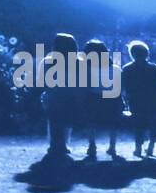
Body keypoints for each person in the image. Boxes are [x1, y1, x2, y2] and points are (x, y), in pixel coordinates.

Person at [121, 40, 156, 157]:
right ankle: (151, 146)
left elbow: (124, 87)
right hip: (154, 102)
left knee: (138, 124)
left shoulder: (127, 68)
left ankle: (138, 148)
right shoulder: (155, 68)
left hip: (136, 101)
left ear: (132, 54)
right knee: (153, 123)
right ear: (147, 53)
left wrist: (126, 99)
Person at [41, 32, 80, 160]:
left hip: (54, 95)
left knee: (54, 121)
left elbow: (43, 80)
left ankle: (54, 144)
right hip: (72, 95)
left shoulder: (48, 61)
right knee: (67, 121)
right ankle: (63, 144)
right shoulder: (78, 61)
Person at [82, 38, 122, 159]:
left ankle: (92, 145)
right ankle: (112, 146)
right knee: (113, 123)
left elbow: (85, 87)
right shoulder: (115, 68)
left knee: (90, 121)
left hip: (93, 99)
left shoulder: (85, 69)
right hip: (112, 100)